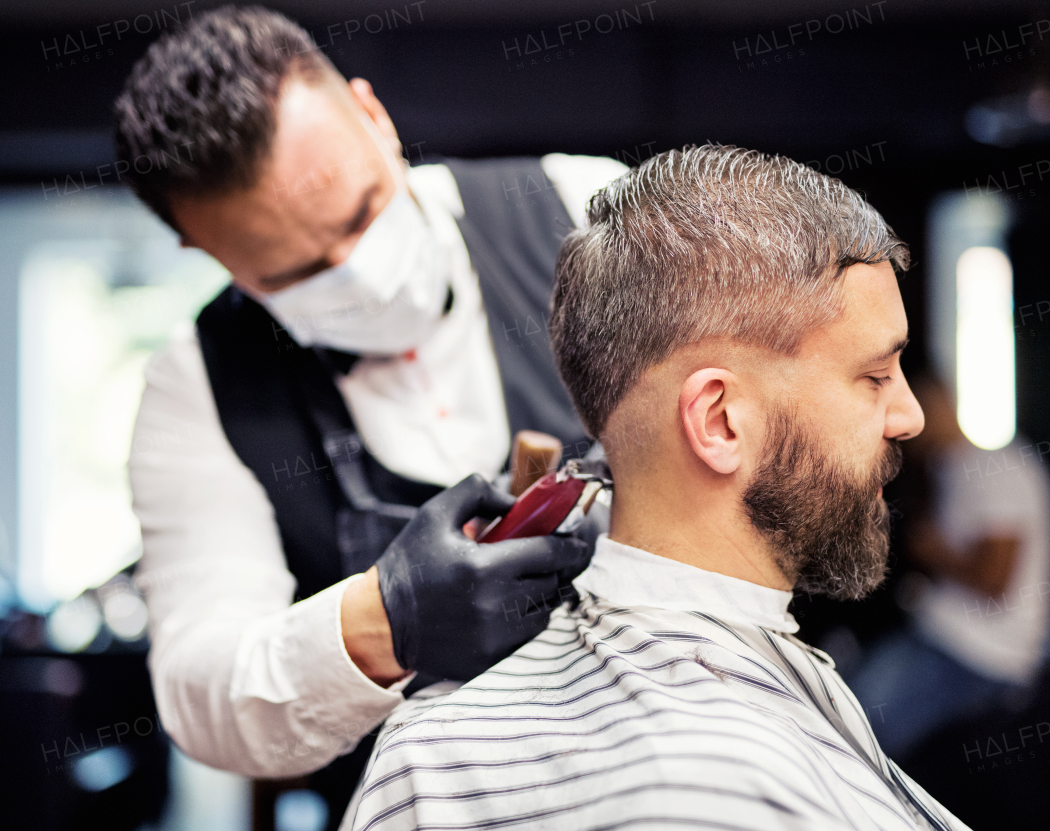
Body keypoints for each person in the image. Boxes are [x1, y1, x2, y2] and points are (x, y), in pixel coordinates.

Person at [344, 145, 970, 831]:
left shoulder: (425, 757)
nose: (909, 416)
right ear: (720, 420)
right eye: (875, 377)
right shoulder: (713, 797)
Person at [115, 5, 625, 817]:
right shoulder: (198, 387)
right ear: (205, 249)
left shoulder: (590, 211)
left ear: (373, 114)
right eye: (297, 272)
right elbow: (199, 692)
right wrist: (385, 621)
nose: (361, 275)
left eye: (362, 214)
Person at [849, 373, 1050, 759]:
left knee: (854, 725)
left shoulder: (995, 465)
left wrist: (933, 552)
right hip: (948, 636)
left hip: (979, 651)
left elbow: (995, 581)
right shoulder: (948, 471)